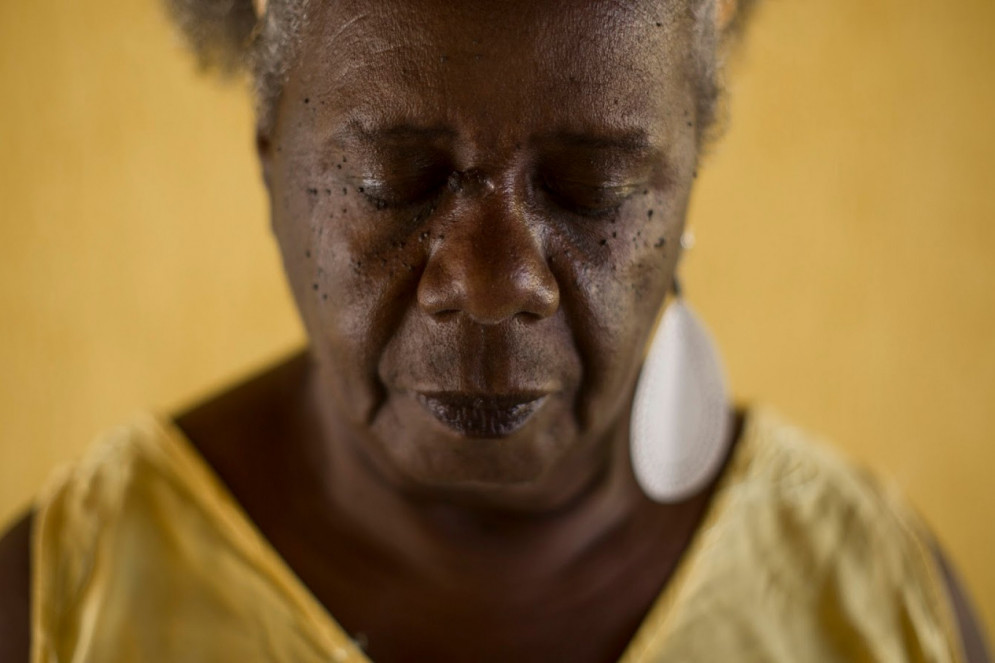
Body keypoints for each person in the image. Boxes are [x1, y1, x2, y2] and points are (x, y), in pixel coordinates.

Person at [0, 0, 989, 661]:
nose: (492, 283)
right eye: (392, 180)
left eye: (593, 186)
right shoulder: (62, 611)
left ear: (690, 173)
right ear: (270, 155)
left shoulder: (883, 609)